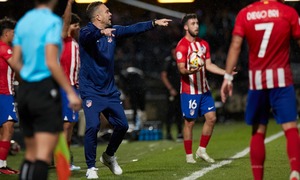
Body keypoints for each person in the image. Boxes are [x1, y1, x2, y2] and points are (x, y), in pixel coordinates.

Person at [79, 1, 171, 179]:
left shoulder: (112, 31)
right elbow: (87, 38)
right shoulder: (86, 32)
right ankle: (91, 167)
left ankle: (108, 156)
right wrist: (100, 33)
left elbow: (132, 29)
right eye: (107, 12)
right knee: (92, 126)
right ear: (97, 16)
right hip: (91, 90)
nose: (111, 14)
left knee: (122, 125)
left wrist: (153, 23)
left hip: (109, 90)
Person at [220, 1, 300, 180]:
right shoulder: (288, 12)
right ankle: (295, 170)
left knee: (258, 130)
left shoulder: (245, 13)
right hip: (282, 80)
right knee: (290, 128)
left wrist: (228, 77)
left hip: (257, 82)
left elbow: (235, 45)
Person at [11, 0, 82, 179]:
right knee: (43, 155)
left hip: (25, 91)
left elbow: (15, 61)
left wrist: (28, 79)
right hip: (44, 90)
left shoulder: (24, 22)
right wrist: (71, 92)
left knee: (31, 154)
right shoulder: (51, 22)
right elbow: (51, 61)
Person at [176, 13, 235, 164]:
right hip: (190, 91)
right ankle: (189, 155)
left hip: (204, 89)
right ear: (186, 27)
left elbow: (208, 65)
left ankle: (201, 150)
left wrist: (226, 72)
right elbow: (182, 69)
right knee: (189, 123)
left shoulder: (203, 44)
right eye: (193, 24)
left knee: (212, 118)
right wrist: (192, 70)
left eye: (197, 23)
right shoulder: (182, 46)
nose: (196, 26)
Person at [60, 0, 81, 171]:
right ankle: (63, 160)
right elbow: (65, 24)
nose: (78, 28)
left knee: (70, 126)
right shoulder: (63, 39)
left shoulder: (75, 44)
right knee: (64, 125)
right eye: (75, 25)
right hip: (62, 88)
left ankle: (65, 158)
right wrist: (69, 4)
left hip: (73, 88)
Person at [0, 17, 19, 175]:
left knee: (5, 129)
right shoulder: (5, 48)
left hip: (5, 93)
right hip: (4, 94)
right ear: (7, 33)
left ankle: (3, 164)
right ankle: (1, 165)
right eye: (14, 32)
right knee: (8, 127)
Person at [161, 43, 183, 141]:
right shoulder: (169, 61)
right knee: (170, 112)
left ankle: (180, 133)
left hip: (180, 90)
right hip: (171, 92)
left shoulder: (181, 61)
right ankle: (168, 133)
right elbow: (163, 76)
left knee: (179, 112)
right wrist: (170, 89)